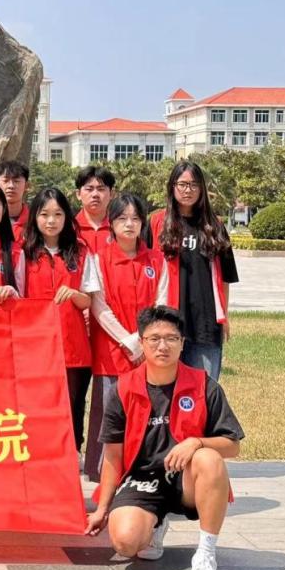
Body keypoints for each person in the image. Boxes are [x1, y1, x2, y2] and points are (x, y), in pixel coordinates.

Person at [86, 305, 244, 570]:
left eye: (171, 338)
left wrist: (197, 442)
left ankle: (205, 554)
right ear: (141, 342)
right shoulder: (123, 389)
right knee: (125, 542)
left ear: (183, 344)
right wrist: (102, 509)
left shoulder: (204, 386)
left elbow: (232, 445)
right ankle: (154, 525)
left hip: (185, 479)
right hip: (143, 479)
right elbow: (113, 456)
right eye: (154, 339)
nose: (163, 346)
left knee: (209, 458)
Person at [83, 193, 168, 482]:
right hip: (111, 350)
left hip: (148, 351)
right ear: (112, 222)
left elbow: (161, 303)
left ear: (143, 223)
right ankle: (102, 474)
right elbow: (99, 305)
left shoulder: (156, 260)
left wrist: (144, 340)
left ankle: (143, 470)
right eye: (122, 218)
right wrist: (129, 340)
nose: (129, 224)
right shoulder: (98, 259)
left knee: (147, 410)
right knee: (108, 411)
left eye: (135, 218)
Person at [17, 187, 98, 458]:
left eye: (58, 214)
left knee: (73, 405)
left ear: (67, 217)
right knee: (38, 405)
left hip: (73, 345)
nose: (51, 221)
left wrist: (74, 294)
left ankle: (72, 457)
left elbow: (88, 301)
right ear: (35, 217)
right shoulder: (23, 253)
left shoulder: (81, 252)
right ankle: (41, 458)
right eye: (44, 214)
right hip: (35, 347)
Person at [151, 161, 239, 381]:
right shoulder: (157, 223)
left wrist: (224, 316)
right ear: (172, 187)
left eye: (193, 184)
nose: (187, 190)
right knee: (165, 390)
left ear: (201, 188)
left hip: (205, 324)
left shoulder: (214, 226)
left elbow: (225, 278)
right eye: (182, 184)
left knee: (203, 390)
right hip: (167, 321)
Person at [74, 166, 115, 253]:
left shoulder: (119, 227)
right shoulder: (69, 228)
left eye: (101, 189)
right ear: (78, 194)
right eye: (89, 189)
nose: (95, 194)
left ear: (111, 194)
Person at [0, 160, 31, 244]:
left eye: (16, 181)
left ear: (27, 186)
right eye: (5, 181)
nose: (11, 186)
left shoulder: (34, 220)